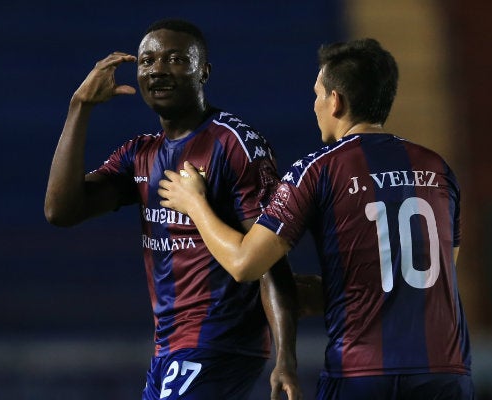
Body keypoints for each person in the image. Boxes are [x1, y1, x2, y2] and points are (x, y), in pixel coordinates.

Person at [159, 38, 474, 399]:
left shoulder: (318, 169)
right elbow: (440, 274)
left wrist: (195, 203)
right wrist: (340, 291)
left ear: (336, 101)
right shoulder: (438, 168)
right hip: (447, 374)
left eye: (318, 94)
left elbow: (244, 264)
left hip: (361, 372)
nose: (315, 105)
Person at [44, 18, 301, 400]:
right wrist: (79, 107)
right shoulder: (140, 154)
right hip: (170, 348)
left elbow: (269, 262)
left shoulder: (235, 144)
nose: (158, 70)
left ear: (204, 72)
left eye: (176, 59)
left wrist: (286, 359)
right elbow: (62, 211)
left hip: (218, 342)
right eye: (147, 61)